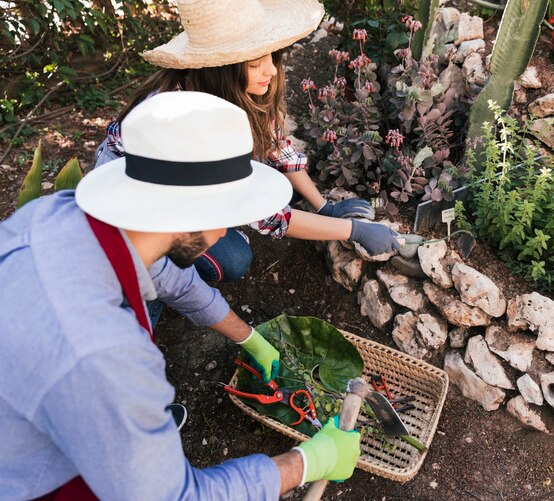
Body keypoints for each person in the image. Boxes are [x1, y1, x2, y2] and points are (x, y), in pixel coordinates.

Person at [0, 91, 360, 500]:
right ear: (185, 207)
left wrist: (249, 338)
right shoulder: (105, 351)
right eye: (224, 213)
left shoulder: (59, 216)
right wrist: (306, 462)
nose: (226, 232)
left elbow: (171, 278)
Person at [95, 0, 400, 288]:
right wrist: (354, 230)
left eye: (270, 56)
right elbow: (270, 217)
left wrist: (324, 207)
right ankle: (161, 272)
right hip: (139, 205)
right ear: (220, 69)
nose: (270, 70)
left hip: (182, 184)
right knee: (234, 260)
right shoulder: (186, 123)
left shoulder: (230, 89)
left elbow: (276, 146)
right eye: (255, 64)